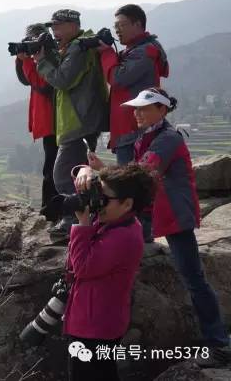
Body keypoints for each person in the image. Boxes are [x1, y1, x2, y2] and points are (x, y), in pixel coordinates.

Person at [76, 87, 231, 366]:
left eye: (144, 109)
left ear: (162, 110)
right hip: (155, 212)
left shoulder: (167, 139)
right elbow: (138, 171)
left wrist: (101, 173)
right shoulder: (148, 137)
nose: (137, 113)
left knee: (194, 280)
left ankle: (218, 343)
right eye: (135, 108)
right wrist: (104, 169)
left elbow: (142, 172)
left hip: (173, 215)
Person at [65, 163, 153, 381]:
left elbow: (83, 267)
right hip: (96, 321)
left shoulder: (124, 236)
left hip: (95, 327)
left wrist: (82, 223)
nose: (96, 203)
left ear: (127, 204)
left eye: (103, 198)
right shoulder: (116, 219)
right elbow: (80, 173)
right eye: (97, 193)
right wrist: (86, 172)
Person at [35, 9, 109, 235]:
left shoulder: (78, 47)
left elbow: (62, 79)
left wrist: (41, 62)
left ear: (72, 25)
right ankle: (88, 217)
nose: (54, 31)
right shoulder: (76, 46)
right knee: (77, 173)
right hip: (80, 119)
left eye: (57, 26)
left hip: (79, 121)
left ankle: (73, 221)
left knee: (64, 173)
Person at [97, 4, 169, 164]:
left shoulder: (144, 52)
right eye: (115, 26)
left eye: (122, 25)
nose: (117, 30)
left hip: (134, 132)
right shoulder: (132, 51)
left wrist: (107, 53)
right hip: (127, 130)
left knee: (130, 185)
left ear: (138, 25)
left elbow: (118, 79)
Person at [14, 23, 58, 220]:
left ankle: (52, 211)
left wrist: (30, 61)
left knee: (54, 168)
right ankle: (50, 209)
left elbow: (43, 85)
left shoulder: (51, 57)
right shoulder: (39, 58)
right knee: (51, 166)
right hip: (49, 120)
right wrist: (21, 59)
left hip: (56, 122)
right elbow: (25, 80)